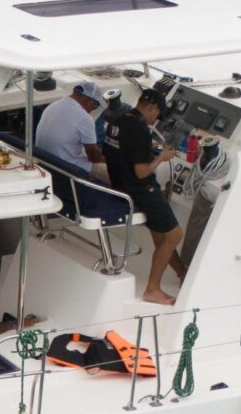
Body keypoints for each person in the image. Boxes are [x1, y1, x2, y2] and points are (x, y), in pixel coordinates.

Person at [106, 88, 186, 305]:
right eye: (157, 116)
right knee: (174, 235)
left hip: (119, 185)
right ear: (152, 108)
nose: (155, 121)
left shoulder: (117, 120)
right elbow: (141, 172)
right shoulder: (140, 129)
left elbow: (118, 151)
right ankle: (153, 290)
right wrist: (162, 156)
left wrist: (149, 148)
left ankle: (183, 274)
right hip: (140, 190)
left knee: (161, 232)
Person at [35, 80, 108, 179]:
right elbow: (94, 157)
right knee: (115, 173)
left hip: (46, 162)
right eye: (95, 105)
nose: (92, 110)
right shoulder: (84, 118)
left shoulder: (52, 105)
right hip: (68, 168)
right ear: (88, 100)